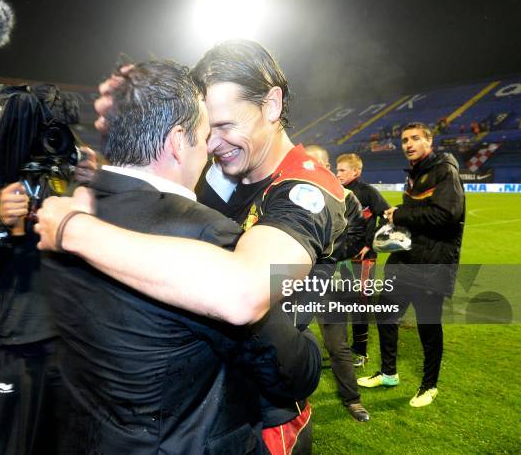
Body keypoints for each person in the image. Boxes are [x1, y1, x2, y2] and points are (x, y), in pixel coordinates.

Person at [36, 40, 347, 453]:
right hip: (189, 395)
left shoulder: (305, 189)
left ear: (272, 105)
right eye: (206, 130)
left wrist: (76, 231)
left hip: (263, 409)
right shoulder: (217, 169)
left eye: (224, 126)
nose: (213, 145)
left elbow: (244, 292)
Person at [357, 122, 465, 407]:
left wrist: (400, 215)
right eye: (405, 139)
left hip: (431, 264)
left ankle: (429, 386)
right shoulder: (416, 174)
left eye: (415, 138)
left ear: (429, 141)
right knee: (385, 313)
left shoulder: (444, 170)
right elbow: (419, 213)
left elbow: (447, 215)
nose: (408, 144)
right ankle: (389, 373)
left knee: (428, 328)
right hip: (405, 260)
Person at [304, 145, 370, 422]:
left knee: (337, 344)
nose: (310, 168)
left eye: (316, 164)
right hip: (292, 276)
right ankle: (286, 396)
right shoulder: (289, 193)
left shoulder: (347, 197)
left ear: (327, 166)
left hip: (330, 278)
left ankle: (352, 399)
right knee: (284, 338)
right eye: (306, 163)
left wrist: (325, 257)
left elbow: (357, 237)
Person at [336, 153, 391, 367]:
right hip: (341, 257)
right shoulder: (338, 193)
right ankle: (342, 349)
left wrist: (370, 242)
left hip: (363, 260)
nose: (337, 173)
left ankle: (360, 352)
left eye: (342, 170)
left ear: (355, 172)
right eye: (337, 169)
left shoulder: (367, 192)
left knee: (360, 303)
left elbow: (388, 216)